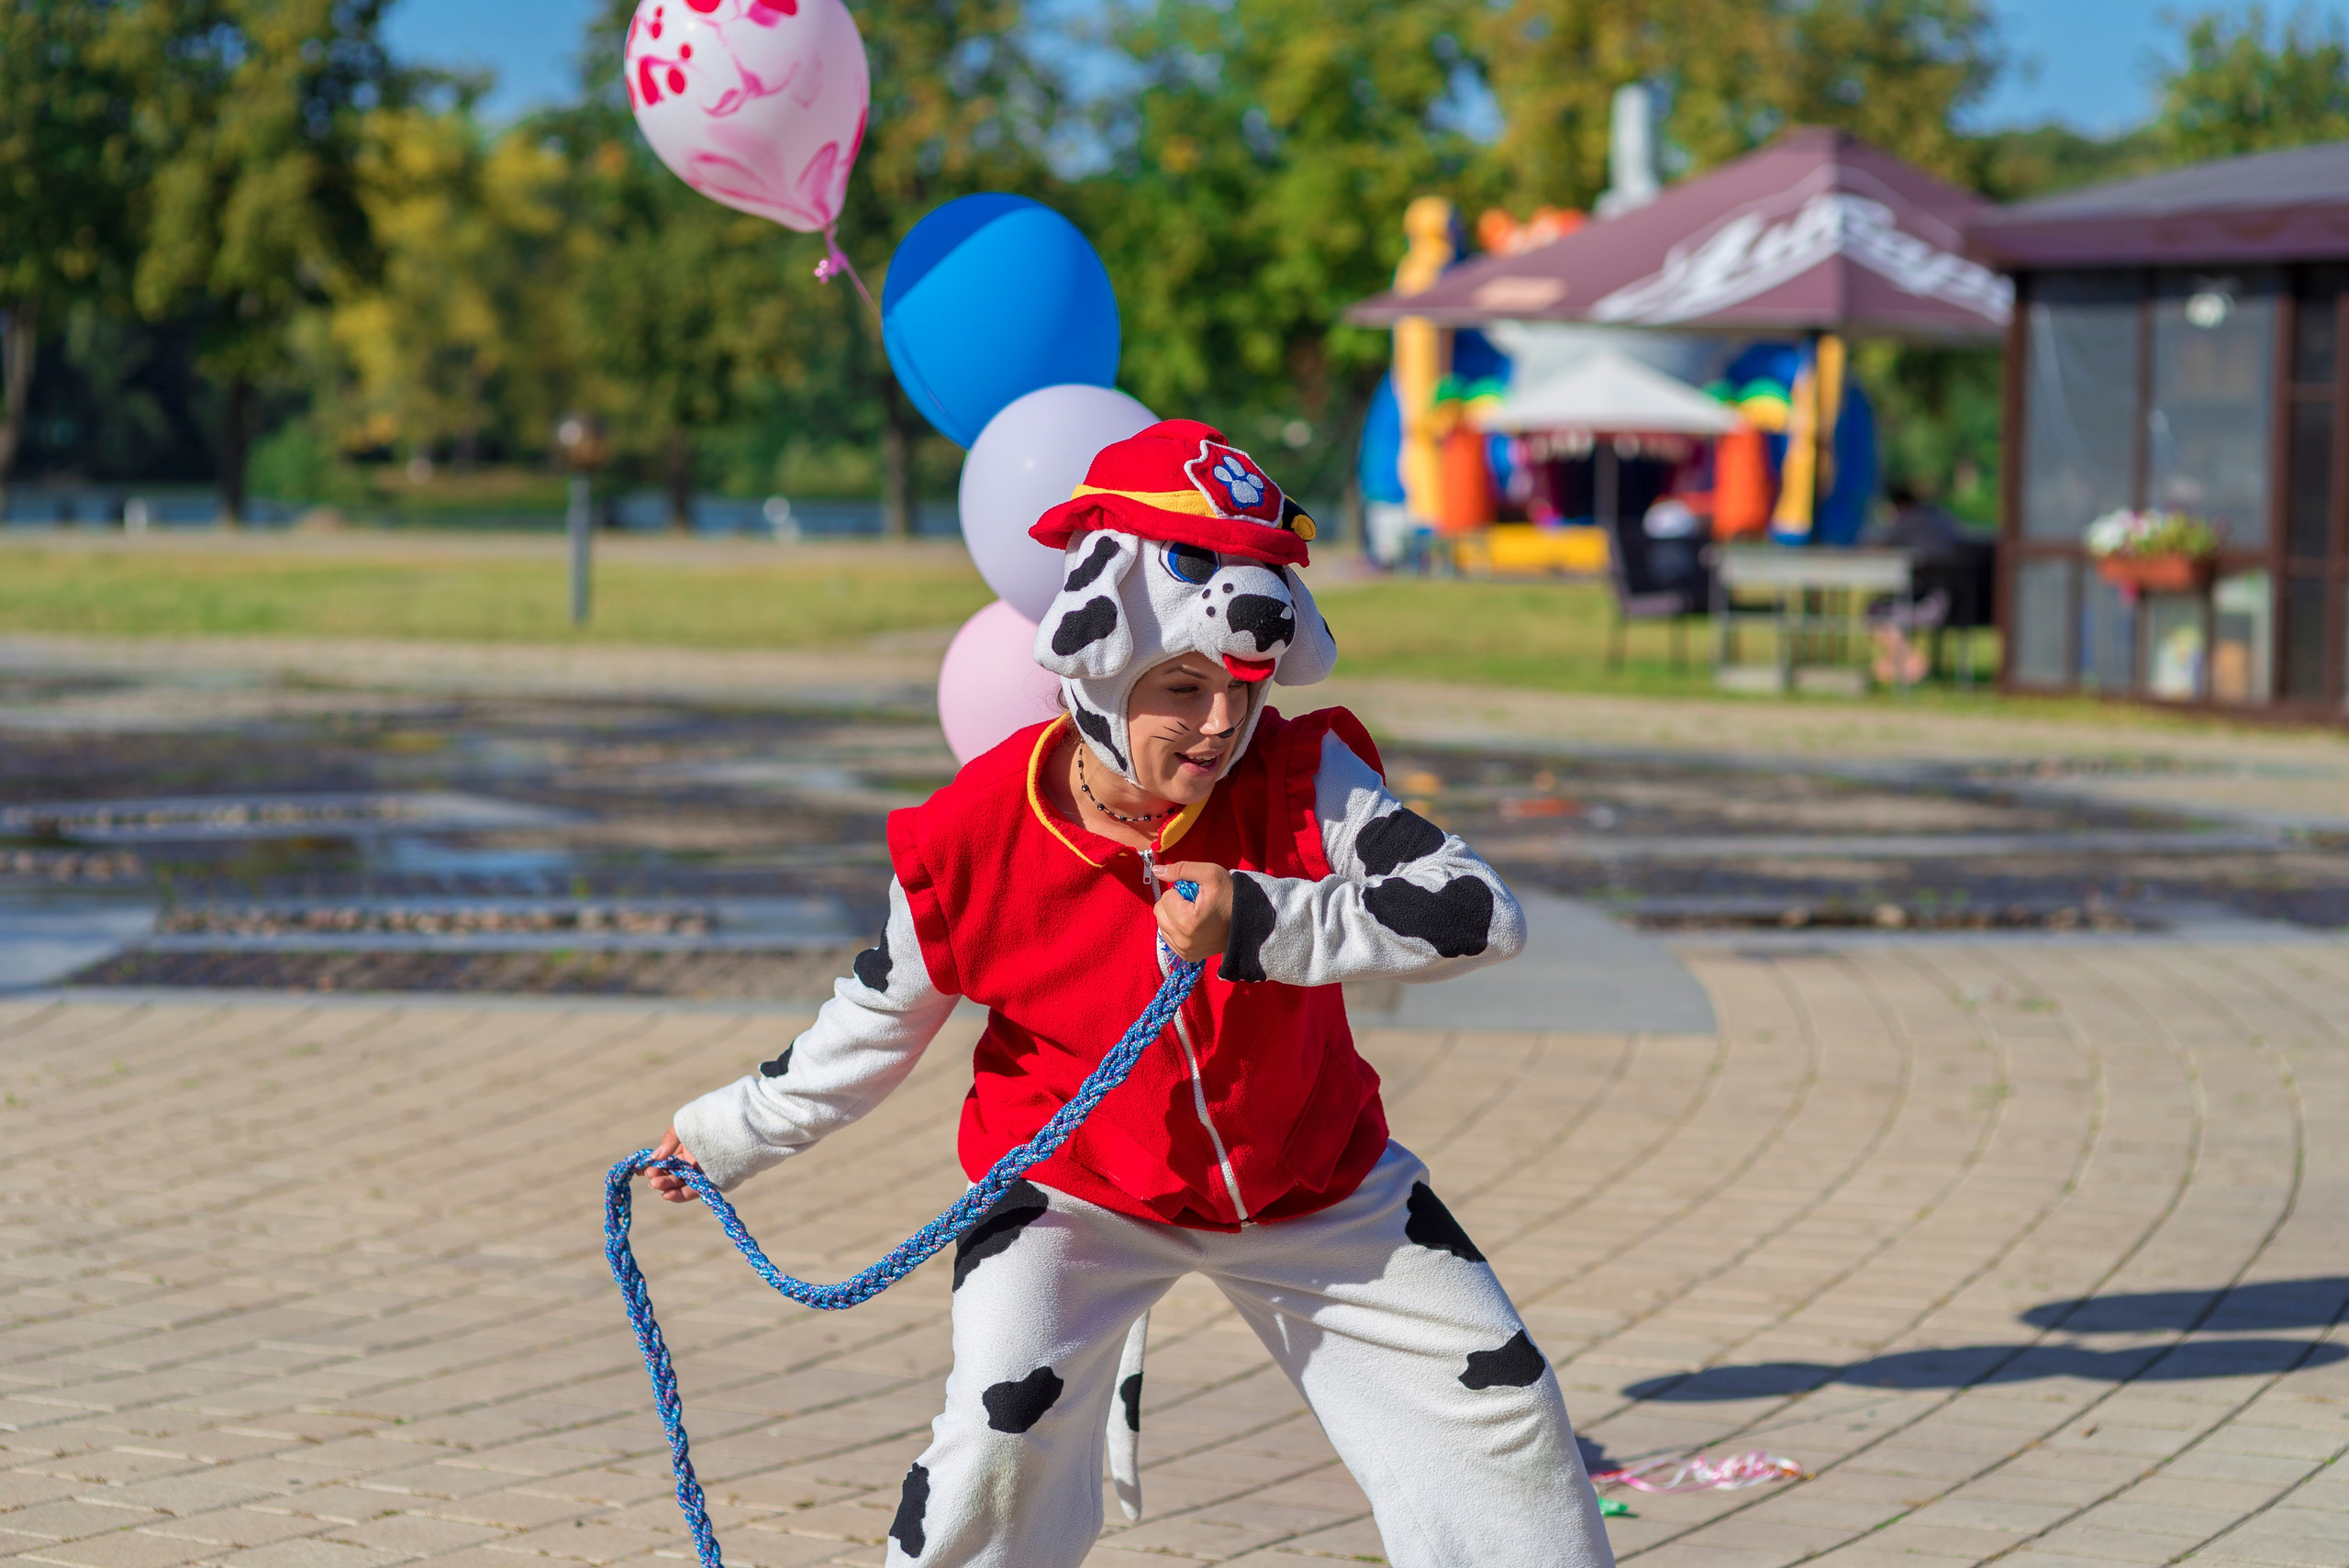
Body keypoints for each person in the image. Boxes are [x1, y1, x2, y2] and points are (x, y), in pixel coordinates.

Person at [648, 420, 1618, 1568]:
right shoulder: (971, 837)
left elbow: (1477, 910)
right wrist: (720, 1135)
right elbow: (870, 1022)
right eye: (1181, 687)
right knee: (993, 1445)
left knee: (1505, 1411)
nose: (1219, 725)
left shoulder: (1308, 778)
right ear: (1099, 669)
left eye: (1243, 687)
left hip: (1319, 1182)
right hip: (1074, 1198)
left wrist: (1264, 919)